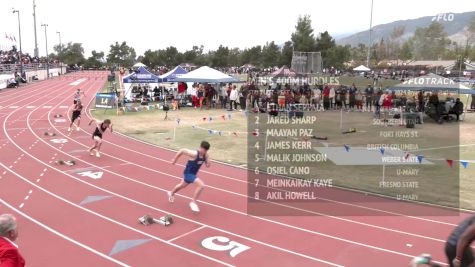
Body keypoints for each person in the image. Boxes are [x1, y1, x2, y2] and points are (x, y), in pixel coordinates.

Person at [168, 141, 211, 212]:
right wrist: (174, 160)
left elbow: (208, 165)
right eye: (204, 150)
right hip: (188, 173)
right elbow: (182, 150)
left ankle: (171, 193)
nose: (205, 152)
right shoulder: (194, 153)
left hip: (193, 174)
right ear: (201, 148)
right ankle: (193, 202)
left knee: (182, 186)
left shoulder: (205, 155)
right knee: (201, 185)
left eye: (206, 150)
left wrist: (208, 158)